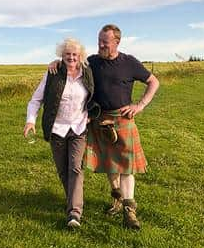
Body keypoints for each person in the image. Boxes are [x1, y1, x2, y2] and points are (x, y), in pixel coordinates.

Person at [49, 24, 159, 229]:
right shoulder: (91, 62)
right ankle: (116, 198)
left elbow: (153, 82)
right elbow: (71, 64)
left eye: (105, 42)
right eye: (99, 40)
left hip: (123, 119)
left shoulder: (130, 62)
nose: (100, 45)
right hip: (100, 120)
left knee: (126, 167)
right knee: (111, 165)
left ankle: (129, 211)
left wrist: (140, 105)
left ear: (117, 42)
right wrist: (57, 62)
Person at [24, 38, 95, 229]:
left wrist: (92, 114)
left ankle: (74, 213)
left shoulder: (88, 72)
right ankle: (73, 198)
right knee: (64, 171)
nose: (71, 58)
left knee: (75, 168)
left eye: (75, 54)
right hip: (57, 129)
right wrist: (30, 121)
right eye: (67, 54)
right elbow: (35, 100)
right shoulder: (52, 73)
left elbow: (95, 95)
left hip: (79, 128)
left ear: (80, 56)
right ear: (61, 56)